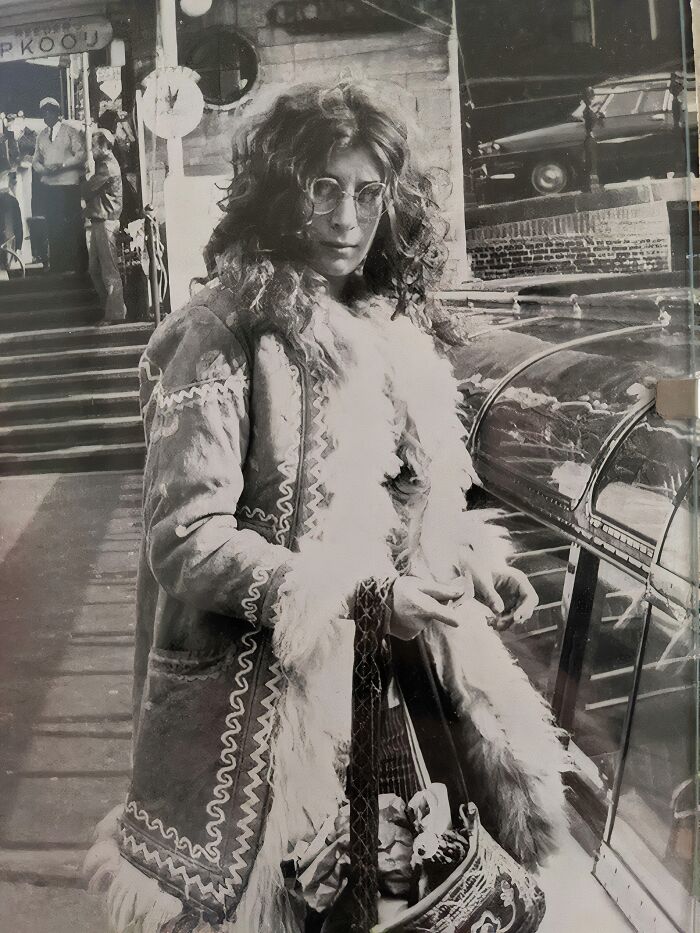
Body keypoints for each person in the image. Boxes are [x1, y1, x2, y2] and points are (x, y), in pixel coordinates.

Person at [87, 81, 567, 933]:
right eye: (323, 188)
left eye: (367, 192)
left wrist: (467, 562)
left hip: (391, 685)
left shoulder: (386, 329)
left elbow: (400, 501)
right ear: (281, 193)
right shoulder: (217, 332)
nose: (347, 217)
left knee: (401, 888)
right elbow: (187, 540)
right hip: (260, 712)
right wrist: (359, 598)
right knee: (287, 903)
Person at [31, 97, 88, 274]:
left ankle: (79, 265)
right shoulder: (41, 135)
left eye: (49, 111)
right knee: (53, 225)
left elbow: (81, 155)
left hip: (68, 185)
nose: (46, 115)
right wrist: (44, 170)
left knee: (73, 223)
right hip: (49, 187)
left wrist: (62, 165)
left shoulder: (70, 132)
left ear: (57, 113)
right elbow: (35, 161)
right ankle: (58, 265)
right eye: (43, 112)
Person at [82, 129, 127, 324]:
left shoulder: (106, 167)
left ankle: (115, 314)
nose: (91, 150)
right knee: (94, 269)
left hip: (105, 221)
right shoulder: (106, 164)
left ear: (105, 147)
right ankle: (109, 308)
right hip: (100, 220)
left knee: (108, 270)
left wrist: (85, 175)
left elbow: (87, 188)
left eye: (94, 146)